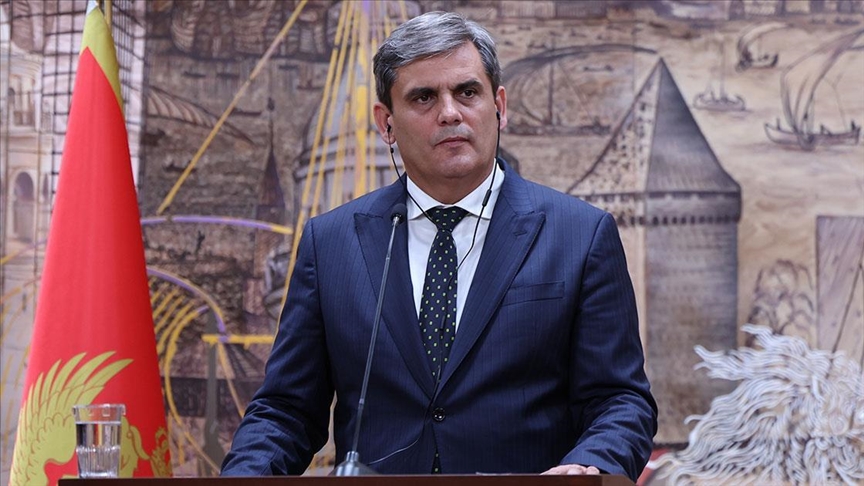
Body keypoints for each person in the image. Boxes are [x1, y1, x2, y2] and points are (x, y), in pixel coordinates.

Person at [222, 11, 657, 480]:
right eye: (423, 97)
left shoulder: (580, 235)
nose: (449, 112)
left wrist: (591, 465)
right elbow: (285, 411)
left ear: (499, 106)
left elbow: (620, 399)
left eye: (467, 92)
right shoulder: (331, 244)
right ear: (387, 123)